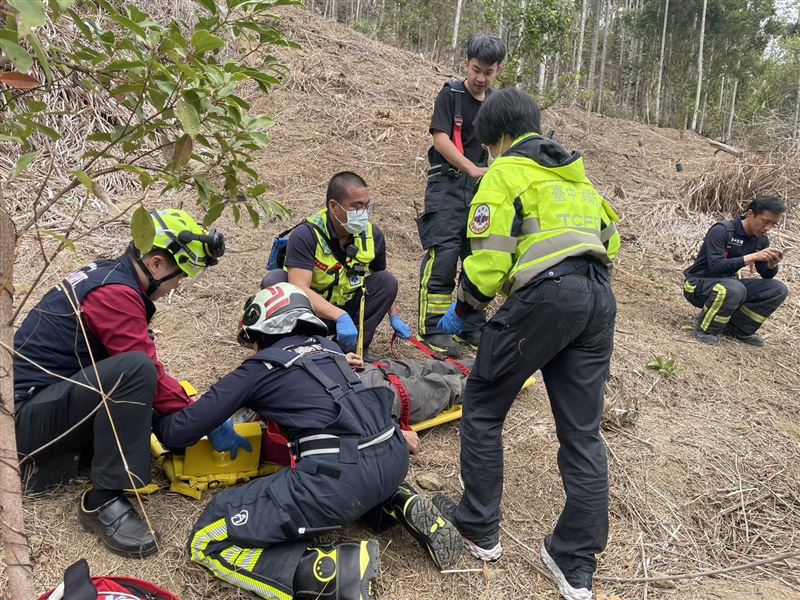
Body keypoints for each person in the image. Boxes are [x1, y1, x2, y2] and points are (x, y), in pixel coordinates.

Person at [431, 89, 621, 600]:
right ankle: (575, 561)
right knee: (582, 433)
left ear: (497, 138)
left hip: (546, 299)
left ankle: (478, 526)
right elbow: (611, 239)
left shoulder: (505, 172)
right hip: (598, 301)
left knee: (484, 406)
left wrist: (465, 308)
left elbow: (491, 257)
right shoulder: (578, 176)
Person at [155, 283, 462, 599]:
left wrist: (156, 409)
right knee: (358, 472)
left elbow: (178, 432)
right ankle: (399, 501)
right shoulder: (330, 351)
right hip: (393, 457)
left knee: (207, 539)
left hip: (340, 483)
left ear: (262, 330)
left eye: (254, 342)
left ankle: (330, 572)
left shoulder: (259, 368)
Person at [13, 209, 246, 558]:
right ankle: (103, 500)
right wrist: (202, 416)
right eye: (179, 275)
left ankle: (94, 454)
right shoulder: (115, 295)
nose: (178, 285)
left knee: (133, 369)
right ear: (155, 264)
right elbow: (142, 368)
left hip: (40, 403)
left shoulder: (111, 275)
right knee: (135, 370)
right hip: (21, 424)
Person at [416, 34, 506, 357]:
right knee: (445, 252)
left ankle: (471, 324)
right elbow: (441, 139)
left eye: (489, 72)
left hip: (482, 191)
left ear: (498, 71)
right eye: (476, 69)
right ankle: (434, 326)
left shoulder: (496, 103)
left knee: (476, 255)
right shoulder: (450, 95)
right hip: (448, 185)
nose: (481, 78)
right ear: (466, 64)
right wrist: (470, 167)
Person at [262, 171, 412, 355]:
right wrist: (340, 316)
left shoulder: (373, 235)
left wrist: (394, 316)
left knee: (387, 281)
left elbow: (379, 276)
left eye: (366, 206)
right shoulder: (306, 234)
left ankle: (353, 350)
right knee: (275, 280)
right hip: (310, 314)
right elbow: (298, 288)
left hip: (347, 309)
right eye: (356, 206)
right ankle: (292, 347)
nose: (363, 213)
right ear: (333, 206)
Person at [683, 196, 788, 347]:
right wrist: (752, 256)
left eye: (773, 224)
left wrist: (772, 265)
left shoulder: (761, 239)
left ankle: (739, 329)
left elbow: (766, 275)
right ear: (750, 214)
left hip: (728, 286)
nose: (768, 228)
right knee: (733, 288)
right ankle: (706, 330)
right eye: (766, 221)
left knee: (778, 289)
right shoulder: (722, 230)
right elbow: (715, 267)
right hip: (697, 284)